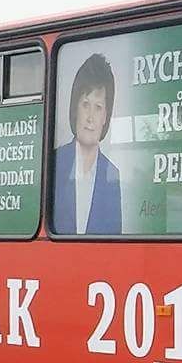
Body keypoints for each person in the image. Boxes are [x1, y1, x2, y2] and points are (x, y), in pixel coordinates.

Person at [51, 52, 121, 235]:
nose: (90, 118)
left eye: (98, 108)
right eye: (85, 104)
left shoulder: (113, 174)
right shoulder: (54, 163)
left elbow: (115, 244)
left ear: (106, 116)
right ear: (75, 107)